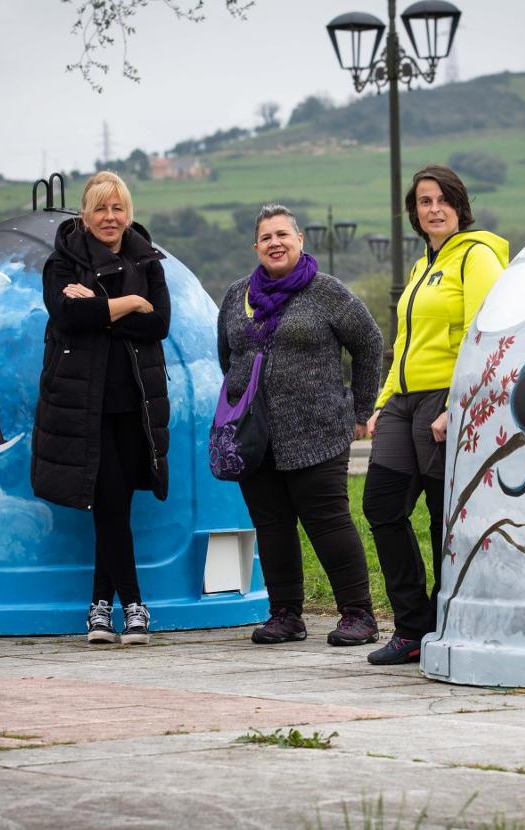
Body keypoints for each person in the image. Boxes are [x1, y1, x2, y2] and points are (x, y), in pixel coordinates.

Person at [217, 204, 384, 647]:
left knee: (327, 521)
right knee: (271, 526)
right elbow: (227, 354)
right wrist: (239, 401)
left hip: (318, 431)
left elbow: (369, 343)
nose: (275, 243)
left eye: (282, 235)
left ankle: (359, 614)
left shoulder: (328, 293)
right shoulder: (237, 296)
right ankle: (285, 614)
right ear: (256, 246)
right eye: (266, 237)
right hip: (255, 438)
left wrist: (361, 409)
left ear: (299, 241)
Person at [364, 165, 509, 665]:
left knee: (441, 517)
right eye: (424, 201)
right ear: (415, 212)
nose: (434, 208)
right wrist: (383, 402)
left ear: (459, 205)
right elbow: (403, 340)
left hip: (444, 398)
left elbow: (484, 331)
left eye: (443, 199)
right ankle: (411, 626)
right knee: (381, 506)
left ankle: (450, 620)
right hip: (404, 401)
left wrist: (455, 405)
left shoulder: (477, 256)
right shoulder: (421, 265)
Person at [32, 170, 171, 646]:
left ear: (128, 213)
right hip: (84, 407)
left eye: (117, 208)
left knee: (114, 506)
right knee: (110, 501)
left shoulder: (148, 260)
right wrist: (132, 304)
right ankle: (132, 606)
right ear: (85, 214)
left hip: (135, 405)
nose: (109, 217)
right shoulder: (62, 264)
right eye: (100, 208)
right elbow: (69, 317)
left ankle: (98, 609)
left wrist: (107, 305)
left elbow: (159, 325)